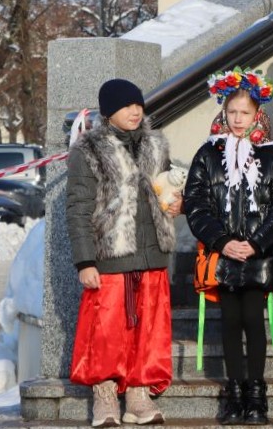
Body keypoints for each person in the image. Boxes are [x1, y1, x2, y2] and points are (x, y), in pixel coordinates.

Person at [184, 69, 273, 425]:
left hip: (258, 255)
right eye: (232, 111)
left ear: (257, 113)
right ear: (224, 111)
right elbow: (196, 203)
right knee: (230, 320)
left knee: (252, 318)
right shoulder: (208, 153)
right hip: (223, 255)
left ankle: (256, 394)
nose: (237, 119)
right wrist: (222, 241)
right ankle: (234, 392)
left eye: (244, 112)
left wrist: (258, 242)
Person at [66, 79, 180, 427]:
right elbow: (78, 207)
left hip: (152, 254)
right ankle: (104, 395)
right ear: (108, 112)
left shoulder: (156, 145)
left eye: (138, 104)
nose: (135, 111)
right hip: (111, 257)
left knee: (149, 329)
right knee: (106, 329)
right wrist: (85, 261)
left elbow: (165, 188)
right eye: (126, 105)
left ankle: (138, 394)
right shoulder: (89, 150)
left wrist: (176, 204)